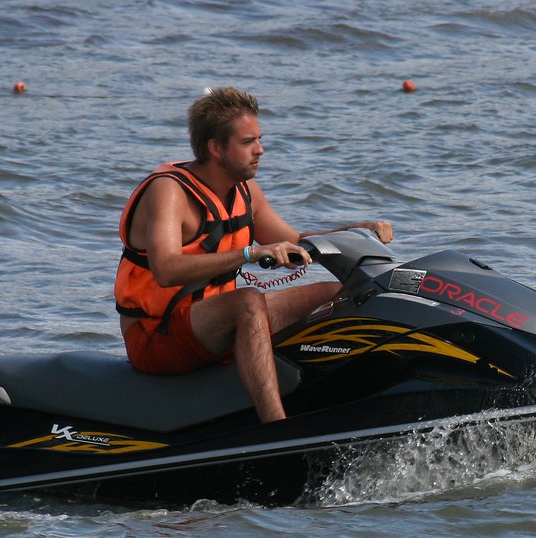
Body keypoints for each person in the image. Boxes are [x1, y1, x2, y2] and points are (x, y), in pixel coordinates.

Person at [114, 87, 393, 423]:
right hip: (155, 336)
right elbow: (166, 269)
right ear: (216, 148)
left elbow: (293, 241)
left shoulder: (245, 191)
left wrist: (354, 231)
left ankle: (347, 400)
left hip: (211, 323)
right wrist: (249, 253)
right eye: (248, 142)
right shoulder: (169, 192)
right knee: (247, 302)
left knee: (341, 295)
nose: (260, 149)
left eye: (259, 139)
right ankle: (277, 428)